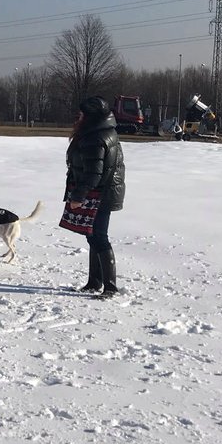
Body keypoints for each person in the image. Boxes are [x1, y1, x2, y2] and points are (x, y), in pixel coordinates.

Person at [64, 96, 126, 298]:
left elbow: (94, 173)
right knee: (92, 236)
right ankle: (94, 282)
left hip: (100, 194)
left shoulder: (95, 138)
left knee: (99, 237)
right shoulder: (100, 132)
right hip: (101, 192)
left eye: (82, 114)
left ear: (91, 116)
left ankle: (110, 286)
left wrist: (78, 195)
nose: (78, 116)